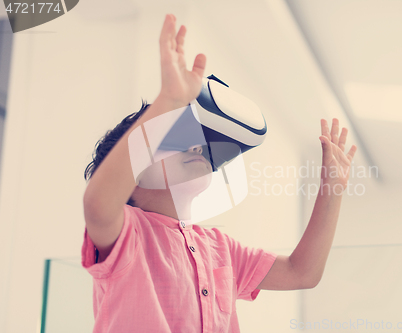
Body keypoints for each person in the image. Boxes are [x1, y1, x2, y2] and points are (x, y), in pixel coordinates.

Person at [81, 13, 357, 333]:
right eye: (171, 137)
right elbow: (99, 205)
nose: (195, 147)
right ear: (131, 179)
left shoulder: (220, 247)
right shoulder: (127, 234)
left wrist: (332, 189)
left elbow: (302, 272)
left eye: (191, 139)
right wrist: (167, 103)